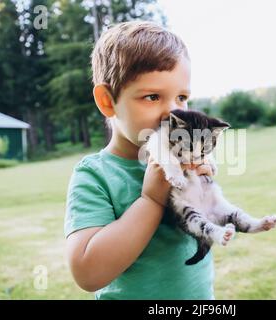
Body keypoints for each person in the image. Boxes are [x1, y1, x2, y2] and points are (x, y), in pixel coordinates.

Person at [64, 20, 216, 299]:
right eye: (152, 96)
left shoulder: (182, 160)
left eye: (181, 97)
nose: (174, 114)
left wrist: (202, 187)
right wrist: (151, 200)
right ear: (108, 101)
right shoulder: (95, 176)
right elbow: (88, 273)